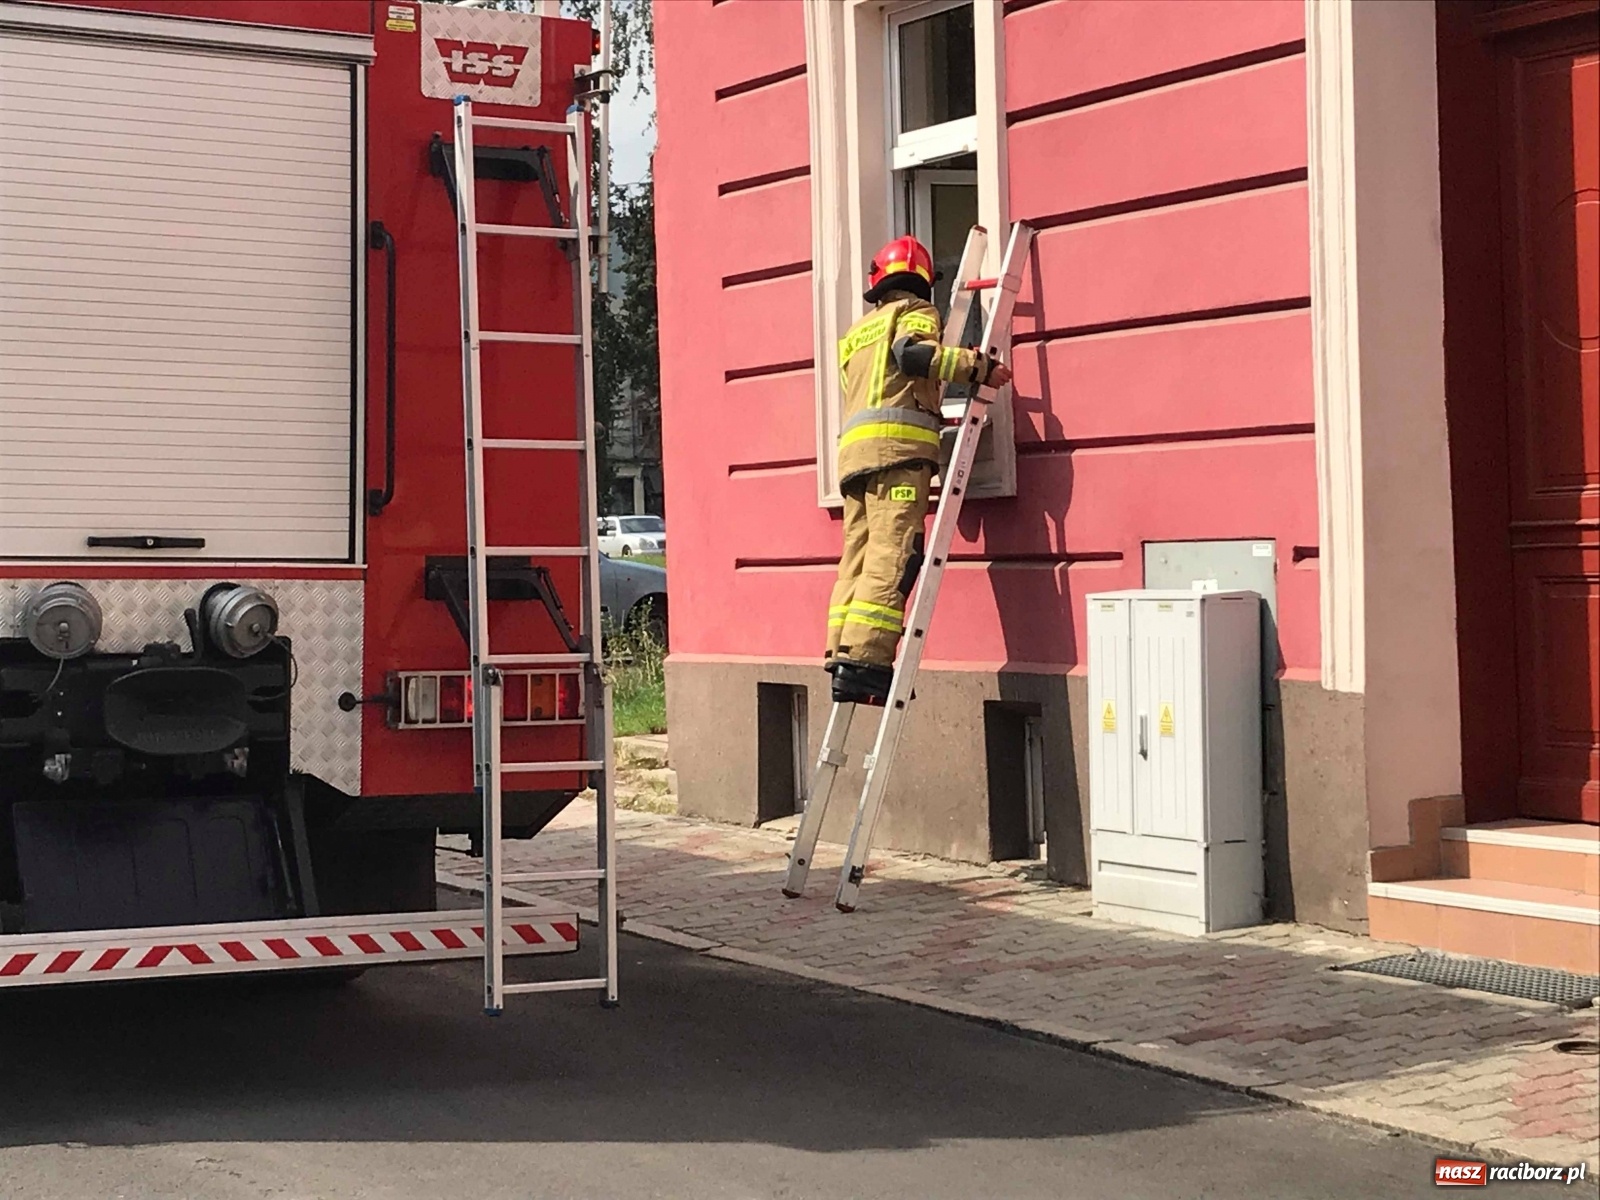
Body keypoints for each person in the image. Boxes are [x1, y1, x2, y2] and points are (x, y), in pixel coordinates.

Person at [825, 235, 1012, 705]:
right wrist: (977, 366)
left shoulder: (856, 334)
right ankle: (867, 661)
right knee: (895, 554)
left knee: (858, 557)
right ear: (923, 282)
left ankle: (841, 655)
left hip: (854, 461)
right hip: (898, 454)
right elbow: (914, 358)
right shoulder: (915, 313)